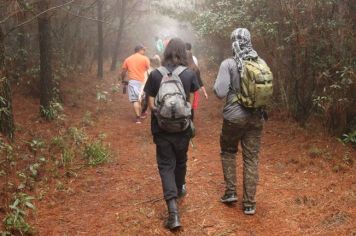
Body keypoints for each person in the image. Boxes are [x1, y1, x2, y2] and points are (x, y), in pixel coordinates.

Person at [144, 38, 199, 230]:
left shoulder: (155, 75)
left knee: (166, 165)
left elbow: (150, 102)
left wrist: (160, 115)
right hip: (183, 129)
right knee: (181, 160)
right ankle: (180, 186)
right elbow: (191, 103)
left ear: (166, 52)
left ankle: (173, 213)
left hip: (162, 129)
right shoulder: (189, 74)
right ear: (183, 53)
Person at [213, 28, 265, 215]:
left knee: (228, 152)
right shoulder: (261, 62)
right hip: (256, 117)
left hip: (234, 117)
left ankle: (231, 193)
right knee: (251, 159)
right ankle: (250, 203)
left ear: (232, 41)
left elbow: (219, 92)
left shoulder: (229, 63)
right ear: (249, 41)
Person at [121, 45, 150, 124]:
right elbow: (148, 70)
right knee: (142, 97)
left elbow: (123, 71)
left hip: (133, 82)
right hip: (143, 82)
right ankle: (143, 111)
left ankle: (138, 118)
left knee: (135, 100)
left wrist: (123, 79)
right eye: (143, 50)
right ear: (140, 50)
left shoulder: (128, 59)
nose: (144, 51)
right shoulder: (145, 59)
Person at [186, 51, 208, 120]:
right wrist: (205, 92)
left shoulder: (183, 69)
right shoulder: (195, 68)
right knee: (191, 109)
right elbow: (200, 81)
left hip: (185, 91)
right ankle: (191, 123)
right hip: (194, 92)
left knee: (185, 108)